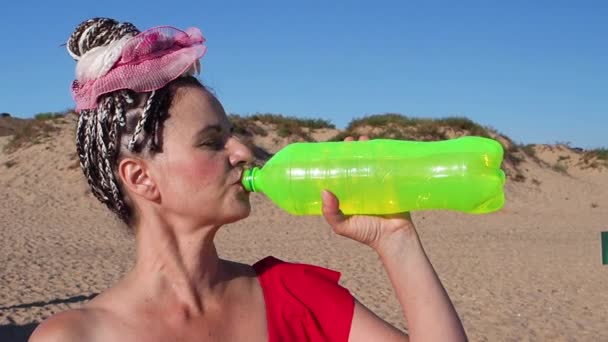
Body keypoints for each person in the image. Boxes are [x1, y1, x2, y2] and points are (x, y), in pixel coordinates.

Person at [29, 17, 467, 342]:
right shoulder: (74, 336)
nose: (241, 152)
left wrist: (395, 237)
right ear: (141, 178)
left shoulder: (294, 295)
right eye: (211, 141)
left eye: (233, 136)